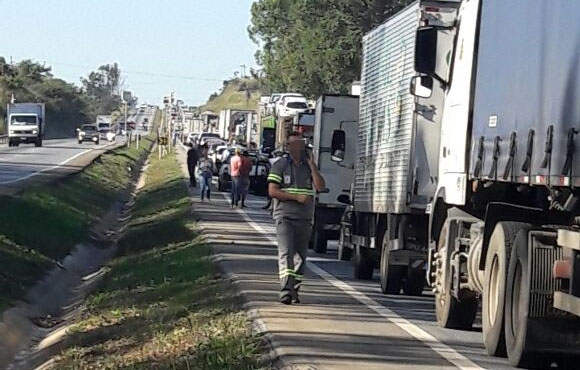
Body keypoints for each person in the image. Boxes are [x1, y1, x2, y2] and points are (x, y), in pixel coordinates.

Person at [267, 132, 325, 304]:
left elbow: (320, 187)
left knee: (300, 256)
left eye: (301, 145)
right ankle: (285, 290)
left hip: (304, 218)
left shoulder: (308, 167)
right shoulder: (280, 165)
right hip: (285, 216)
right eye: (294, 145)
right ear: (288, 147)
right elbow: (272, 191)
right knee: (286, 253)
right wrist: (296, 198)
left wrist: (313, 165)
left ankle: (294, 289)